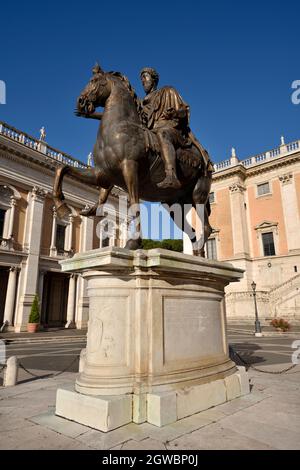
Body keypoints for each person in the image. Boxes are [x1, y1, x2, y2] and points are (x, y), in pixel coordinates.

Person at [140, 67, 191, 189]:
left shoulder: (167, 91)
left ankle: (171, 175)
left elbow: (184, 109)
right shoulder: (142, 104)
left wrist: (175, 113)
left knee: (162, 133)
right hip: (152, 131)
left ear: (153, 79)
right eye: (141, 79)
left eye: (145, 77)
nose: (142, 81)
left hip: (170, 129)